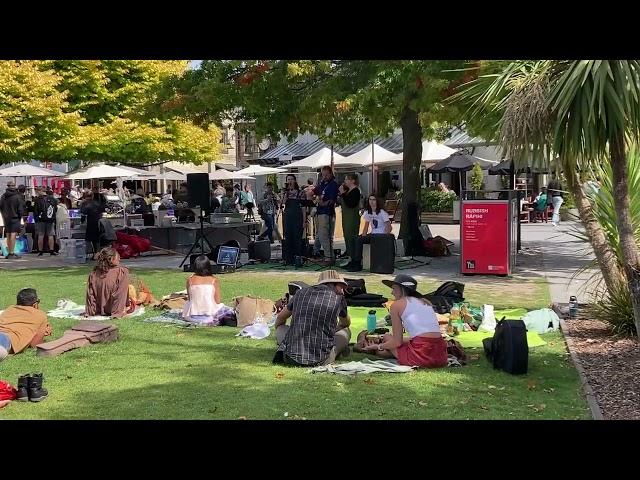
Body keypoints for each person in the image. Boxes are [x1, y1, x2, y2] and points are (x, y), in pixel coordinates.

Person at [358, 274, 447, 368]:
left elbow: (397, 342)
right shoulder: (425, 301)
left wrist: (379, 346)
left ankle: (374, 347)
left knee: (387, 339)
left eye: (394, 289)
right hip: (440, 354)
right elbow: (423, 336)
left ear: (401, 289)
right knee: (390, 343)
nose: (392, 293)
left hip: (421, 355)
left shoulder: (396, 305)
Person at [273, 270, 351, 366]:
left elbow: (280, 318)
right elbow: (345, 323)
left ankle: (289, 346)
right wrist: (331, 331)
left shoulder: (300, 293)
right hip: (322, 360)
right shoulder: (339, 299)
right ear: (333, 284)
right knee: (346, 331)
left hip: (290, 358)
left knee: (281, 329)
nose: (343, 292)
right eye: (342, 287)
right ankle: (336, 351)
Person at [0, 288, 52, 361]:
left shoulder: (9, 309)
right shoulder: (40, 314)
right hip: (5, 340)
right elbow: (35, 344)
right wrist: (43, 334)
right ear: (35, 304)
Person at [344, 195, 392, 272]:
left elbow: (389, 227)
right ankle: (352, 261)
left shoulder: (382, 213)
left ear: (377, 201)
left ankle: (357, 263)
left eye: (374, 200)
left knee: (359, 240)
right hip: (372, 234)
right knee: (354, 238)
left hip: (380, 236)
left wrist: (384, 236)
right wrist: (363, 236)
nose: (372, 202)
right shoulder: (368, 212)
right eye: (370, 200)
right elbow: (366, 226)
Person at [182, 255, 234, 325]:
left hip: (192, 315)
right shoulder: (214, 280)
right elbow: (218, 301)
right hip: (211, 315)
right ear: (208, 266)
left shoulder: (190, 280)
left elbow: (190, 298)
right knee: (228, 309)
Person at [85, 247, 130, 318]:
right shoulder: (122, 272)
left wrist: (90, 311)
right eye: (117, 257)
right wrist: (118, 312)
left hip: (99, 309)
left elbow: (91, 296)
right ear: (111, 259)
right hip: (114, 308)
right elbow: (120, 293)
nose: (119, 259)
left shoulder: (93, 274)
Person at [314, 166, 339, 265]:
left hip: (327, 212)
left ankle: (328, 257)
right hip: (320, 212)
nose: (324, 176)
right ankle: (328, 255)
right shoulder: (322, 184)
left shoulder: (333, 184)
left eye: (326, 174)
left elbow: (332, 200)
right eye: (323, 174)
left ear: (331, 174)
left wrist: (323, 203)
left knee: (324, 236)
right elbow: (315, 192)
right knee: (321, 235)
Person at [281, 174, 306, 266]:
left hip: (297, 217)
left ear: (295, 181)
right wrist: (285, 193)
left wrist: (304, 221)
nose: (290, 181)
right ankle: (289, 259)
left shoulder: (301, 192)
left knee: (297, 237)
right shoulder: (285, 192)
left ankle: (298, 258)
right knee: (288, 237)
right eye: (288, 179)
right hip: (288, 217)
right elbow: (282, 203)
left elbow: (303, 208)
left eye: (291, 179)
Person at [0, 180, 26, 259]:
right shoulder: (17, 196)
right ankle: (11, 253)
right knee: (13, 235)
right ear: (14, 186)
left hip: (6, 218)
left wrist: (4, 213)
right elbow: (20, 209)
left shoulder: (3, 196)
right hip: (15, 217)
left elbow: (0, 206)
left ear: (7, 186)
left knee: (8, 235)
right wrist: (21, 216)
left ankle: (9, 252)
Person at [338, 174, 361, 260]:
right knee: (347, 237)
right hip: (346, 218)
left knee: (351, 237)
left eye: (347, 179)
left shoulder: (356, 191)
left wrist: (343, 194)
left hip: (352, 218)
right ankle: (349, 255)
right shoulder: (348, 191)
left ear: (353, 181)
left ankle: (354, 257)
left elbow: (351, 204)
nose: (345, 181)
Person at [33, 187, 59, 256]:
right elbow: (56, 209)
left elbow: (35, 211)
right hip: (50, 219)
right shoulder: (53, 199)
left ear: (41, 191)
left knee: (41, 235)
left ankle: (40, 251)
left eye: (37, 191)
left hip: (40, 220)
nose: (37, 192)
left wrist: (36, 219)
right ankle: (51, 251)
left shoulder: (38, 200)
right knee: (50, 235)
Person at [80, 191, 106, 257]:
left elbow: (83, 214)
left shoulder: (85, 203)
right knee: (96, 239)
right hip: (99, 222)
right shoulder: (97, 203)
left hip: (91, 223)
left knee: (90, 240)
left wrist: (82, 222)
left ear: (85, 196)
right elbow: (102, 211)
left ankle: (93, 254)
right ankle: (97, 253)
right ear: (92, 196)